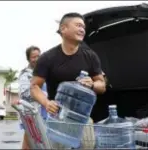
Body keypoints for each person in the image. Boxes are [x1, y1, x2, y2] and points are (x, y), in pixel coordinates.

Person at [30, 12, 106, 148]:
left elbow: (102, 85)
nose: (82, 29)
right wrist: (47, 103)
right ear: (63, 29)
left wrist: (93, 84)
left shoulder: (90, 56)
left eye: (83, 26)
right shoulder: (47, 58)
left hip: (83, 118)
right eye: (78, 25)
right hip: (58, 118)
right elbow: (34, 87)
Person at [15, 45, 47, 150]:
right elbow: (25, 94)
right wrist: (43, 95)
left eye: (39, 56)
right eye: (34, 57)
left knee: (40, 141)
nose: (37, 59)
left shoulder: (44, 72)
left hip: (45, 111)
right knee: (29, 141)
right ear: (28, 58)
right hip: (31, 112)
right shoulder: (25, 74)